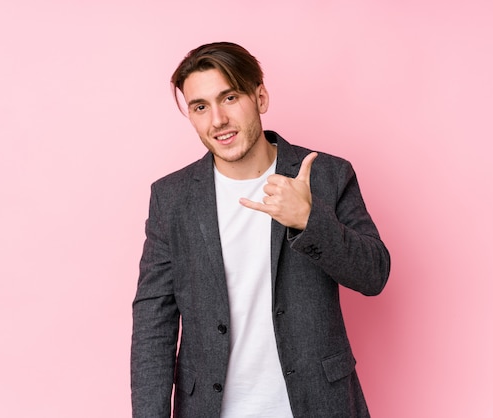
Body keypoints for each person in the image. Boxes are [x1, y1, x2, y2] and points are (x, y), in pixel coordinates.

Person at [131, 42, 390, 418]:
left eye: (230, 97)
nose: (217, 119)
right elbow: (153, 320)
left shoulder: (328, 175)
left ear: (260, 97)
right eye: (200, 106)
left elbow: (374, 275)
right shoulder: (171, 198)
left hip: (318, 405)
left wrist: (309, 221)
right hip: (210, 408)